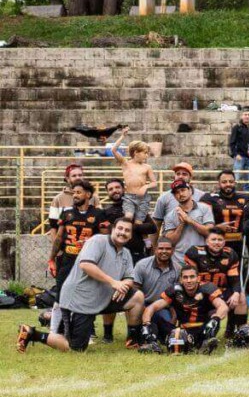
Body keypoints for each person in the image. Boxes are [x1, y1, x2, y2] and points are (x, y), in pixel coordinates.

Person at [18, 218, 147, 353]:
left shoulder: (125, 253)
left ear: (131, 235)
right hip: (79, 300)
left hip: (103, 297)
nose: (123, 232)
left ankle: (133, 340)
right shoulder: (97, 241)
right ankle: (32, 333)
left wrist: (124, 285)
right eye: (120, 228)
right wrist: (114, 282)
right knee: (76, 348)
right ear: (113, 230)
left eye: (127, 230)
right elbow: (86, 265)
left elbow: (129, 277)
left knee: (137, 297)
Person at [109, 129, 154, 222]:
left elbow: (154, 183)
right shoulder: (126, 163)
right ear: (136, 153)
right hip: (129, 197)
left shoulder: (147, 167)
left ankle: (138, 234)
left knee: (138, 222)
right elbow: (113, 150)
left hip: (143, 198)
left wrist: (145, 186)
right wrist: (122, 136)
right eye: (145, 153)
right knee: (128, 217)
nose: (147, 155)